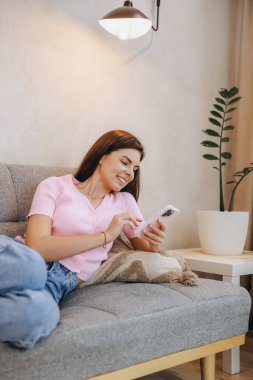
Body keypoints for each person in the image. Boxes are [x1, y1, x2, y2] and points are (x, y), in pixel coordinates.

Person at [0, 130, 166, 349]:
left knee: (41, 314)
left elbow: (143, 249)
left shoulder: (125, 201)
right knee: (32, 269)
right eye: (125, 162)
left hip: (58, 282)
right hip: (21, 258)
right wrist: (105, 236)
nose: (130, 173)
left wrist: (155, 244)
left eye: (135, 169)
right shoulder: (54, 186)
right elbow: (36, 247)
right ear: (101, 156)